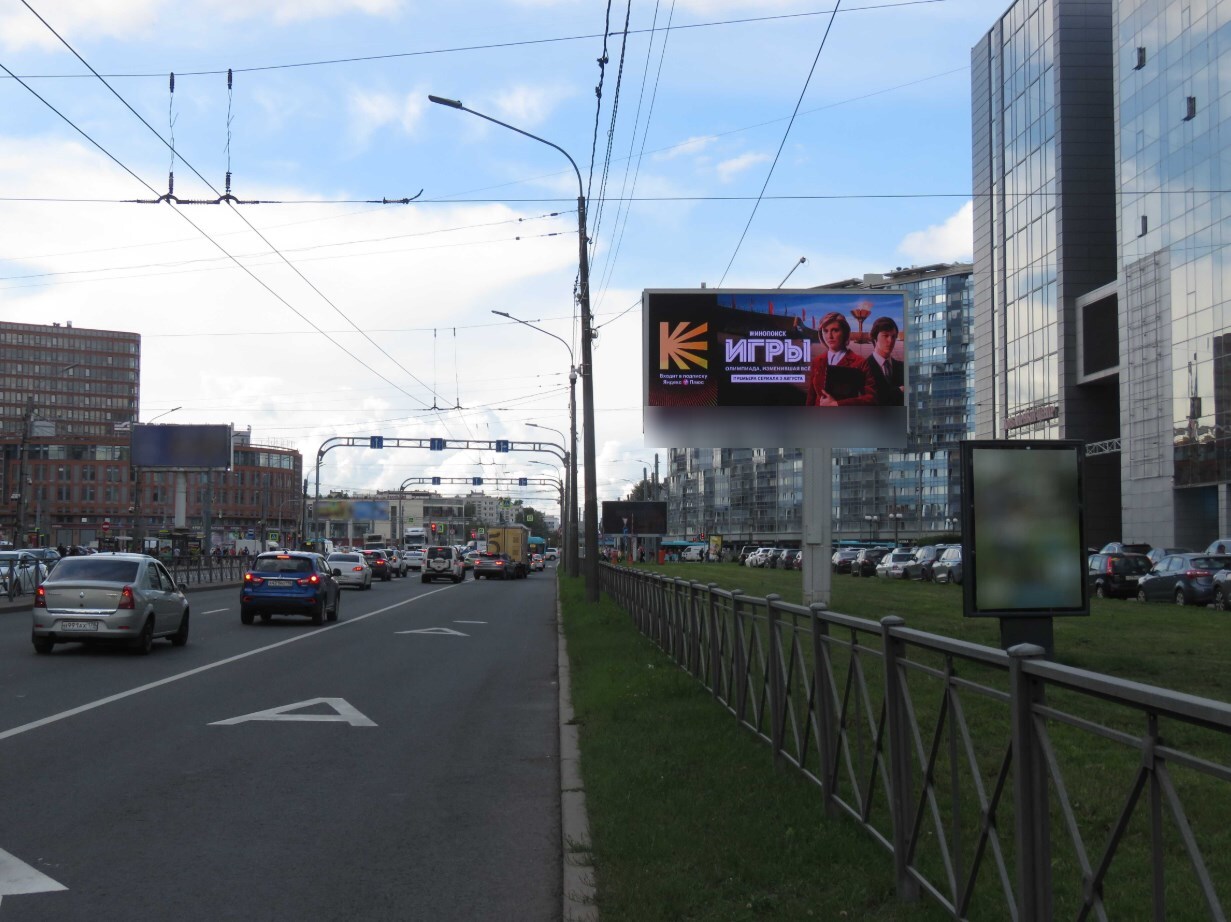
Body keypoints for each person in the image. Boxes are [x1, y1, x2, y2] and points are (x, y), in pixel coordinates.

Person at [805, 311, 876, 406]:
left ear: (845, 332)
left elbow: (871, 399)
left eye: (835, 330)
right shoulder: (817, 361)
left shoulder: (860, 363)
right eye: (825, 331)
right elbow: (811, 398)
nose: (829, 336)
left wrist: (837, 404)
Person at [866, 316, 905, 406]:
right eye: (885, 336)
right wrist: (899, 390)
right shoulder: (863, 367)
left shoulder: (902, 367)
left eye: (893, 336)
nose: (890, 341)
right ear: (875, 337)